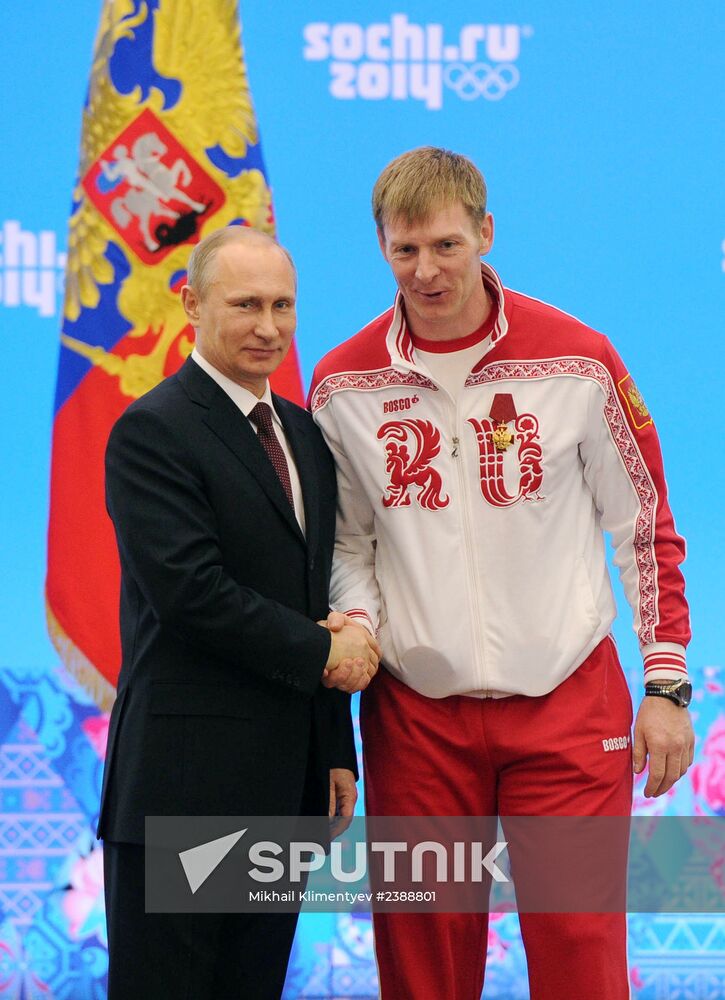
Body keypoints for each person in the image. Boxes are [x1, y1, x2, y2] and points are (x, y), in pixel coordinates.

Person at [309, 147, 694, 1000]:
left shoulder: (577, 361)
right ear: (380, 248)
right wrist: (362, 624)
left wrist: (664, 686)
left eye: (446, 245)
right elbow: (345, 545)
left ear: (485, 233)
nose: (427, 270)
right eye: (405, 250)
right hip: (417, 717)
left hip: (565, 706)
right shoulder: (342, 383)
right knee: (423, 961)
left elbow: (645, 529)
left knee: (578, 952)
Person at [99, 225, 379, 1000]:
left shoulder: (304, 434)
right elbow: (191, 594)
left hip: (285, 788)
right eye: (246, 304)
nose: (269, 326)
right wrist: (329, 655)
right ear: (190, 303)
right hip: (181, 790)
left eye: (283, 306)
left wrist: (334, 748)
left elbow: (314, 595)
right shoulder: (152, 430)